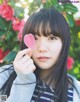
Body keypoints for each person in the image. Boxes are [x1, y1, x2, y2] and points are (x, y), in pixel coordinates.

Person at [0, 7, 80, 102]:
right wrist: (24, 81)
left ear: (65, 43)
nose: (42, 48)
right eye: (35, 37)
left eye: (52, 38)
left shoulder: (76, 94)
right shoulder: (4, 76)